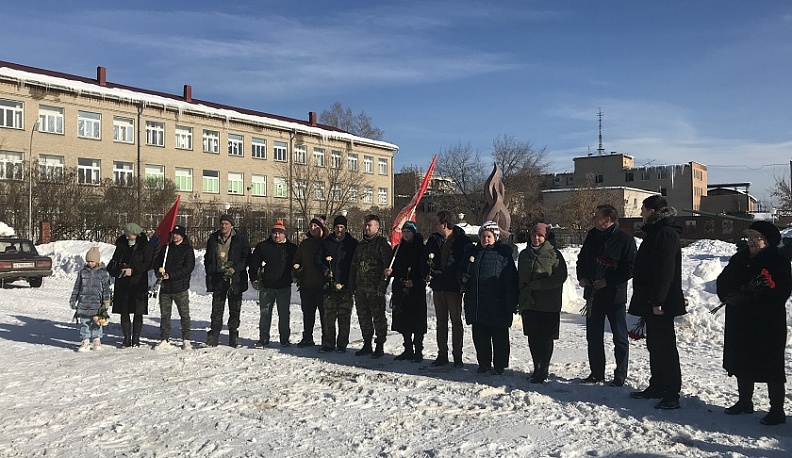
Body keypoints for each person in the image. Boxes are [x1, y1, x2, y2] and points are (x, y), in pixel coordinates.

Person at [717, 221, 791, 425]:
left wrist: (749, 299)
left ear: (767, 241)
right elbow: (723, 279)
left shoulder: (778, 261)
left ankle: (776, 410)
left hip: (766, 322)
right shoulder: (740, 258)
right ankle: (744, 401)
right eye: (748, 237)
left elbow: (781, 291)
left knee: (771, 365)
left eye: (755, 238)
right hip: (740, 320)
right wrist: (727, 295)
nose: (750, 241)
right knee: (742, 359)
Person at [628, 195, 686, 410]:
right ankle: (657, 385)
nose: (641, 213)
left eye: (643, 209)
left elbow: (665, 270)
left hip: (662, 302)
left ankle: (672, 392)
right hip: (652, 300)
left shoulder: (666, 233)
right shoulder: (655, 232)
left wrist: (658, 300)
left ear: (651, 211)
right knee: (655, 345)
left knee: (665, 347)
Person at [576, 204, 636, 386]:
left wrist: (608, 281)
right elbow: (582, 259)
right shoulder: (591, 236)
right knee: (593, 336)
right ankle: (596, 373)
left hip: (614, 296)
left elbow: (630, 268)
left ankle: (620, 374)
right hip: (593, 295)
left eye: (597, 216)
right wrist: (583, 277)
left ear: (607, 220)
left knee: (619, 336)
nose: (593, 219)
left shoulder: (625, 240)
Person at [461, 221, 518, 375]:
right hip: (478, 302)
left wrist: (511, 301)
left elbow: (510, 279)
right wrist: (464, 278)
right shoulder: (473, 254)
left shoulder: (503, 255)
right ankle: (484, 363)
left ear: (495, 237)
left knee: (499, 336)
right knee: (480, 336)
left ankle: (499, 365)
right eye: (483, 236)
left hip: (497, 303)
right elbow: (463, 271)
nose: (486, 239)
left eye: (489, 236)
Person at [517, 223, 567, 384]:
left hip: (548, 303)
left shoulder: (554, 254)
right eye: (533, 235)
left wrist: (542, 284)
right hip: (529, 302)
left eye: (540, 235)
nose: (536, 238)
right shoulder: (524, 254)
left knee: (546, 337)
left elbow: (560, 277)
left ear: (545, 237)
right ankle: (536, 367)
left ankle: (544, 369)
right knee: (532, 336)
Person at [424, 210, 473, 368]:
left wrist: (461, 278)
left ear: (444, 224)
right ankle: (442, 354)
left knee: (456, 322)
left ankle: (457, 356)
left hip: (453, 287)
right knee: (441, 322)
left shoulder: (462, 241)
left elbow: (466, 263)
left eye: (437, 222)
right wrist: (427, 273)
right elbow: (425, 259)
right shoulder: (434, 239)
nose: (434, 225)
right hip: (438, 286)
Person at [249, 219, 298, 347]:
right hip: (266, 286)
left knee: (284, 313)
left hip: (284, 286)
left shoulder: (291, 248)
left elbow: (298, 265)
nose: (277, 235)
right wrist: (254, 279)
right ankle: (263, 338)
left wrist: (296, 276)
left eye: (280, 233)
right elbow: (254, 264)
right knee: (265, 313)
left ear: (284, 234)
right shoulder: (263, 247)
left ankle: (285, 339)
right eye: (275, 233)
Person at [349, 214, 392, 358]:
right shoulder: (360, 246)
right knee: (363, 316)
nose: (366, 228)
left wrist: (382, 287)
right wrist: (352, 285)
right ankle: (367, 343)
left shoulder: (382, 245)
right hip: (361, 288)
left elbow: (387, 269)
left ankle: (379, 345)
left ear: (377, 228)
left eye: (370, 225)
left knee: (378, 317)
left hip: (375, 290)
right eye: (365, 225)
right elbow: (354, 266)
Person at [204, 214, 250, 348]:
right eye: (222, 223)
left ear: (232, 225)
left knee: (234, 308)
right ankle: (214, 335)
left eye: (227, 224)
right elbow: (208, 256)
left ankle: (233, 335)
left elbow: (246, 258)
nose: (224, 226)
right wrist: (210, 270)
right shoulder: (213, 238)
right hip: (218, 278)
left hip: (235, 279)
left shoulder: (240, 239)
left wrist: (235, 268)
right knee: (217, 309)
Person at [315, 214, 358, 353]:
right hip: (329, 286)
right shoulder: (326, 242)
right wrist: (325, 270)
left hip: (346, 286)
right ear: (333, 228)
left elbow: (356, 263)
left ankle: (342, 344)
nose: (339, 229)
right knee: (329, 317)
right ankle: (329, 343)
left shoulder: (352, 244)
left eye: (342, 227)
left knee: (344, 317)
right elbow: (318, 260)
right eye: (337, 227)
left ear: (345, 228)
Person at [108, 223, 154, 348]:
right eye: (126, 235)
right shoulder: (121, 244)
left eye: (130, 235)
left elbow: (147, 263)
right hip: (123, 281)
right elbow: (115, 260)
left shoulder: (145, 246)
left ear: (136, 234)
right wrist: (119, 268)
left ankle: (136, 339)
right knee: (124, 310)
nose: (128, 237)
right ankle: (126, 338)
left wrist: (133, 270)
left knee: (138, 310)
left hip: (138, 282)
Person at [388, 221, 428, 363]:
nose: (405, 234)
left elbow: (424, 269)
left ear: (414, 233)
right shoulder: (398, 249)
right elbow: (394, 266)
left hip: (416, 290)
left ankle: (418, 350)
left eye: (408, 232)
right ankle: (408, 348)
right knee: (403, 320)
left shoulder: (421, 248)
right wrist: (391, 272)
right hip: (401, 288)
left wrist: (415, 282)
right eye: (403, 232)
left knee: (416, 321)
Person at [154, 225, 195, 350]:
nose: (175, 236)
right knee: (165, 314)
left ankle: (186, 338)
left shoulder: (187, 250)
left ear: (182, 236)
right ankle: (165, 338)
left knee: (184, 314)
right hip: (165, 288)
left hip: (180, 288)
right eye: (173, 234)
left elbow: (188, 268)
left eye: (177, 234)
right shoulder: (166, 248)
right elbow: (157, 263)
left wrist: (171, 275)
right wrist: (159, 273)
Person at [293, 216, 330, 347]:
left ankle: (327, 340)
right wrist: (296, 271)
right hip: (307, 285)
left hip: (323, 286)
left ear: (322, 228)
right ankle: (307, 338)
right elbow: (296, 260)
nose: (313, 228)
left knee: (325, 315)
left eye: (316, 226)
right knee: (308, 314)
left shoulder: (327, 243)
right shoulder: (305, 244)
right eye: (311, 226)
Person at [69, 247, 112, 351]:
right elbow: (77, 287)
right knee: (84, 322)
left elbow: (107, 289)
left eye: (92, 261)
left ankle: (96, 339)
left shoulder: (103, 273)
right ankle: (85, 340)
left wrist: (106, 301)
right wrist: (73, 299)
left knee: (96, 322)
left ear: (97, 261)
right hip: (84, 303)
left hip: (97, 303)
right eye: (88, 261)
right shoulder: (82, 273)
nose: (90, 263)